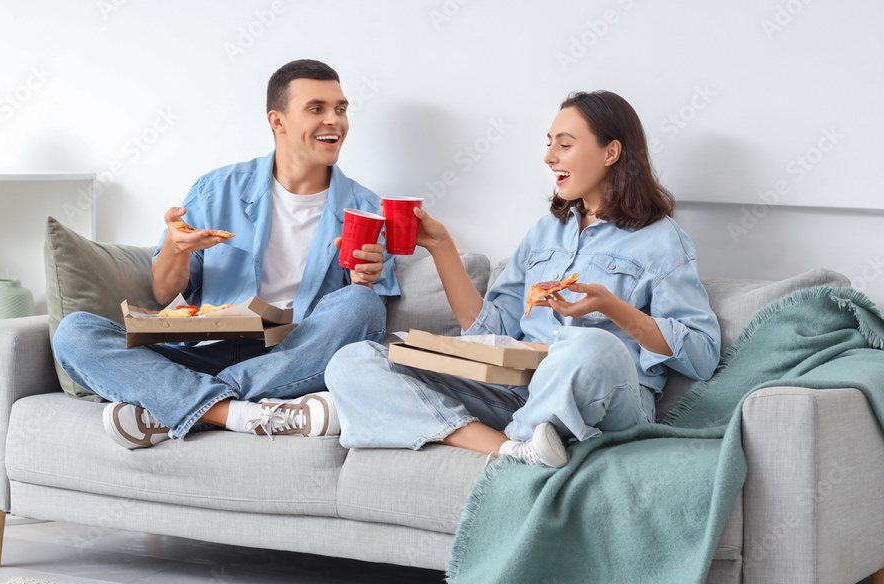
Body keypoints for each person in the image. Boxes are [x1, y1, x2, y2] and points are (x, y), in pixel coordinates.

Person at [318, 90, 721, 466]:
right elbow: (490, 329)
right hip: (518, 389)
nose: (549, 157)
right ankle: (514, 449)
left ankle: (522, 433)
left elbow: (702, 354)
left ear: (611, 152)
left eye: (564, 145)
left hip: (609, 396)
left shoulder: (662, 240)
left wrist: (613, 309)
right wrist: (440, 245)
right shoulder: (545, 233)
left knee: (590, 345)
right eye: (549, 144)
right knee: (351, 361)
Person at [53, 59, 400, 450]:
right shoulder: (216, 189)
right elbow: (166, 293)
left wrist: (362, 282)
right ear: (278, 121)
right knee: (75, 333)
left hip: (290, 356)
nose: (334, 120)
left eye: (340, 108)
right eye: (316, 108)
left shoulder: (366, 209)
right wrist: (175, 248)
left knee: (362, 305)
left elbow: (363, 325)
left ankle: (174, 406)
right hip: (203, 353)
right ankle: (238, 413)